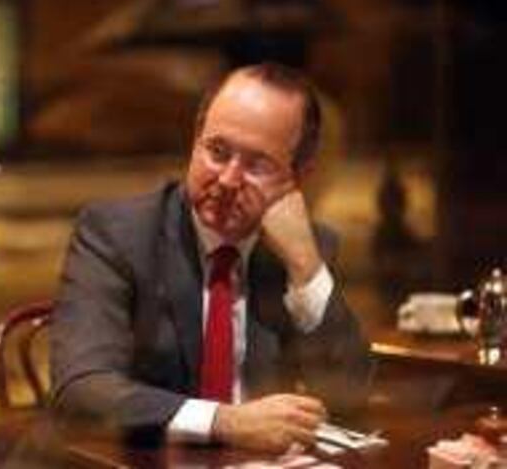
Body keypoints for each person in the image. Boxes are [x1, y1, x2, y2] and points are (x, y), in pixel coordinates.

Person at [50, 62, 371, 453]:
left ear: (298, 178)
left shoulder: (303, 247)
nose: (229, 179)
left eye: (257, 164)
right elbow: (81, 390)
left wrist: (306, 266)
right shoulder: (117, 235)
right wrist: (226, 421)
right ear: (194, 140)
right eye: (217, 151)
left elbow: (349, 395)